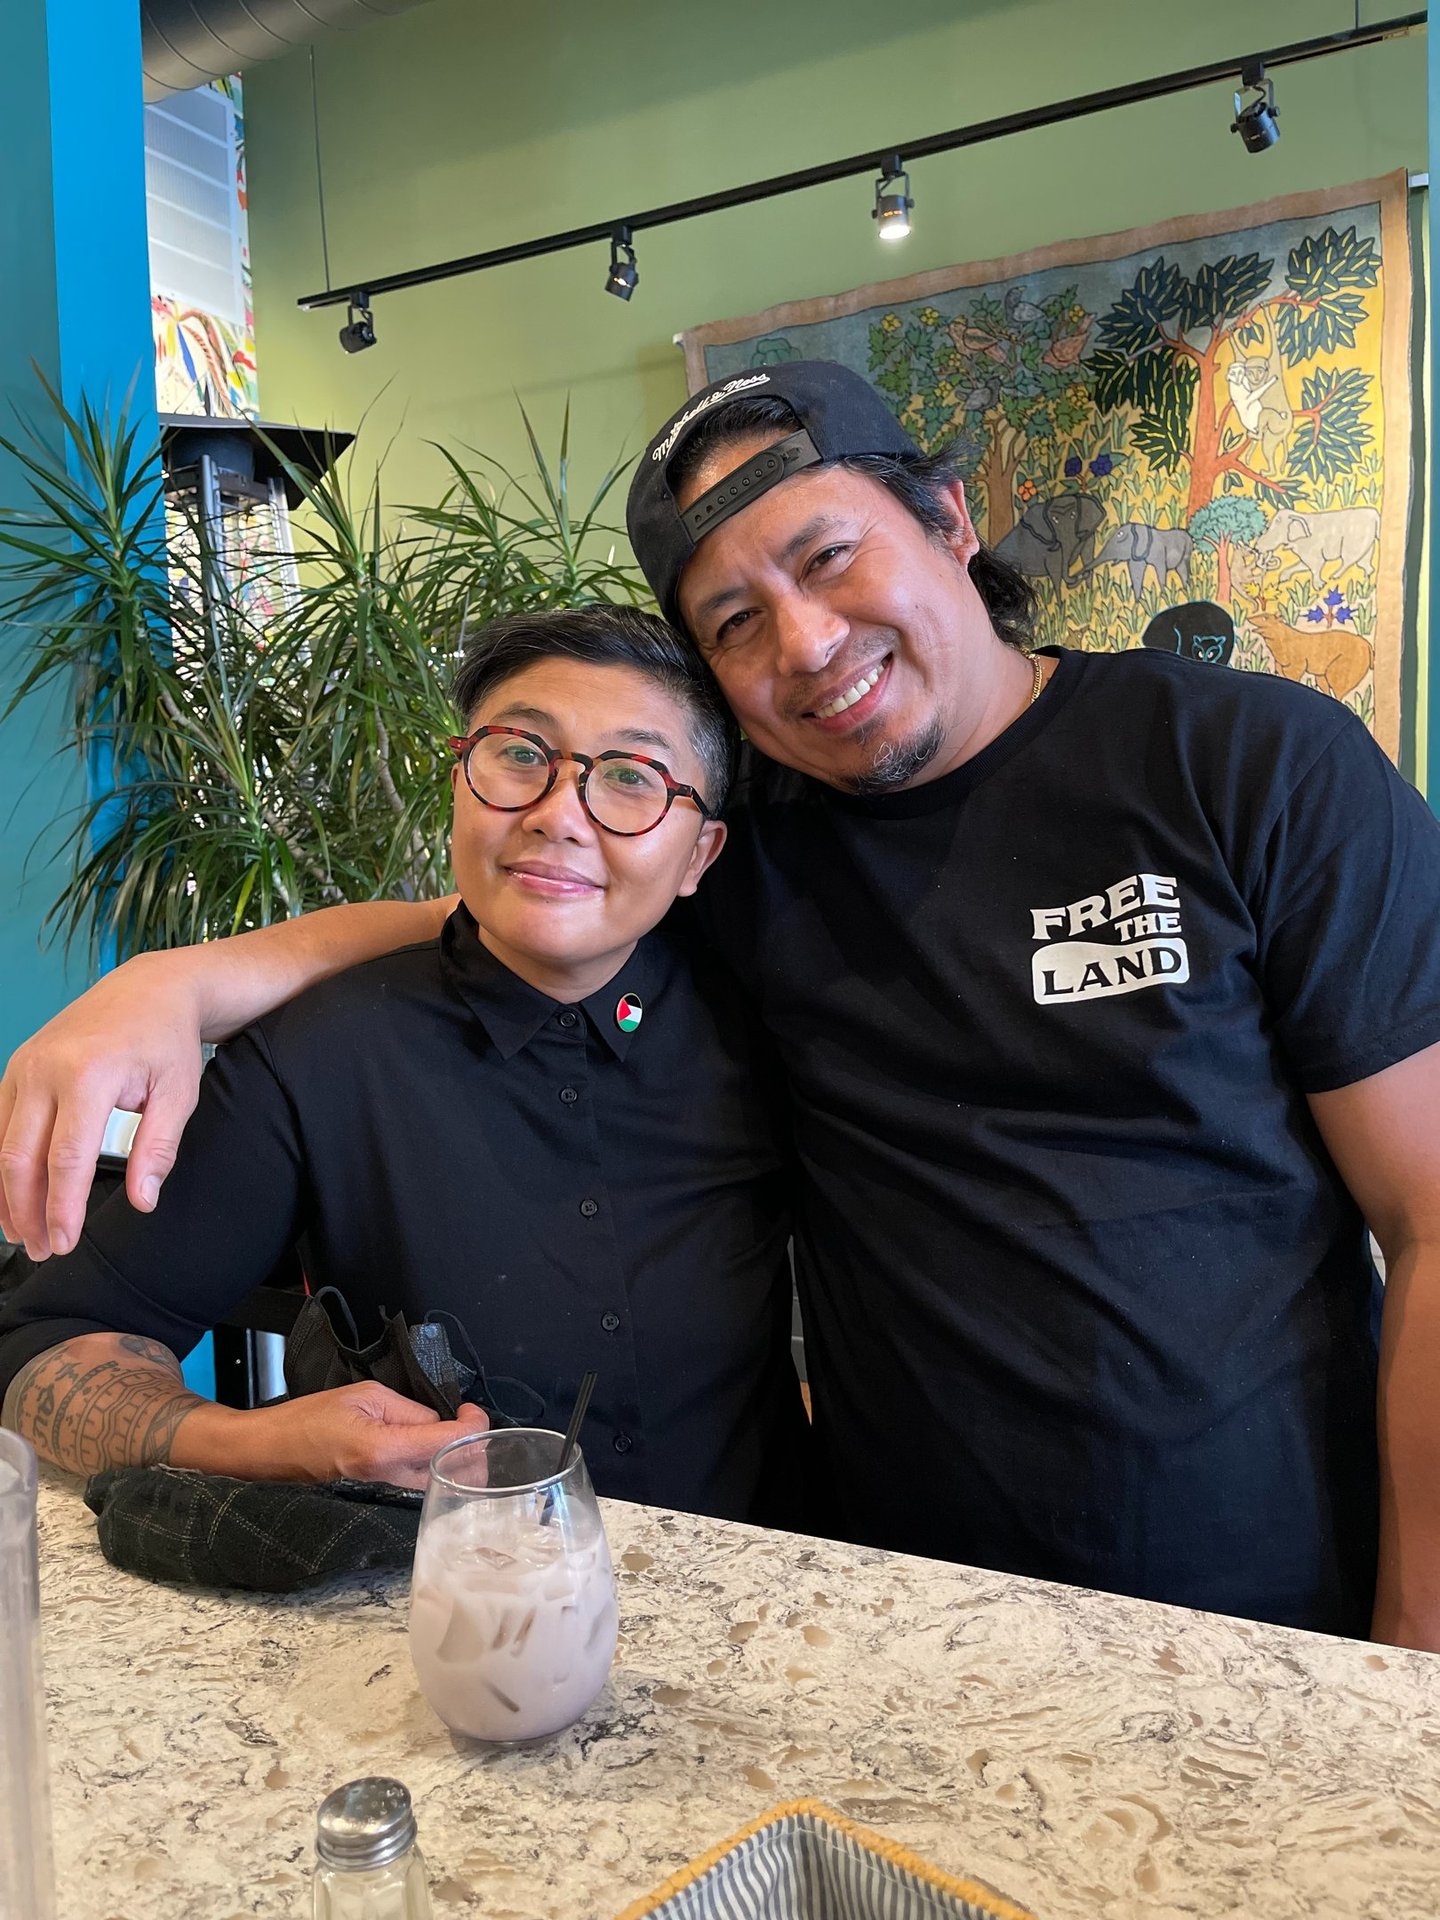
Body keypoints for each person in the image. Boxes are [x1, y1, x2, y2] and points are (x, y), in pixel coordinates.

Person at [6, 364, 1439, 1646]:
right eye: (738, 622)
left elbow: (1430, 1219)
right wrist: (180, 978)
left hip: (1283, 1600)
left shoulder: (1247, 763)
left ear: (947, 518)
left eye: (830, 558)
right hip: (891, 1614)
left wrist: (1418, 1644)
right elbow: (531, 909)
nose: (807, 645)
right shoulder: (762, 856)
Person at [0, 606, 807, 1520]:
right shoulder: (320, 1055)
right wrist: (257, 1442)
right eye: (520, 752)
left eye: (631, 776)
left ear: (700, 852)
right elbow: (44, 1345)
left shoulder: (770, 1021)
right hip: (444, 1606)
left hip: (779, 1603)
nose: (559, 815)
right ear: (459, 781)